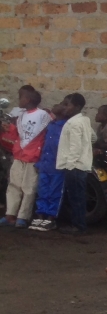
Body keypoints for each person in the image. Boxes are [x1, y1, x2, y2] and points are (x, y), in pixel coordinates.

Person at [1, 86, 51, 229]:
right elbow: (19, 133)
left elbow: (44, 133)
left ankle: (23, 216)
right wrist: (9, 128)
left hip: (33, 156)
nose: (19, 100)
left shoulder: (43, 115)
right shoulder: (22, 116)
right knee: (14, 185)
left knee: (28, 188)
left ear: (27, 99)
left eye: (21, 97)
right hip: (19, 154)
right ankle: (10, 214)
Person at [54, 92, 96, 235]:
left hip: (74, 166)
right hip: (81, 165)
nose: (64, 108)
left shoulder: (73, 123)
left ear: (77, 107)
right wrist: (86, 148)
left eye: (67, 105)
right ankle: (79, 224)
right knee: (78, 197)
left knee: (76, 197)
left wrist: (70, 165)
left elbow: (75, 147)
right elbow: (93, 138)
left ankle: (78, 226)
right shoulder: (84, 120)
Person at [29, 100, 70, 232]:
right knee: (42, 191)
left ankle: (51, 219)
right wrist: (40, 162)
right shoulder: (50, 125)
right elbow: (44, 145)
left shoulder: (67, 126)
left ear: (65, 110)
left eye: (62, 104)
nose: (56, 105)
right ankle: (40, 216)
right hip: (45, 164)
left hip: (58, 166)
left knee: (55, 192)